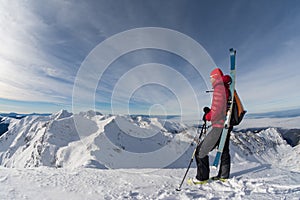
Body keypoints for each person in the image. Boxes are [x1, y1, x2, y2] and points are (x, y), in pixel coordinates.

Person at [193, 68, 232, 184]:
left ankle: (202, 178)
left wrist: (207, 116)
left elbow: (216, 112)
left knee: (200, 151)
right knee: (224, 151)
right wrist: (210, 111)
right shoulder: (225, 88)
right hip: (226, 125)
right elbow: (220, 108)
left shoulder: (219, 89)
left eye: (211, 77)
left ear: (215, 76)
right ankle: (224, 175)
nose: (210, 80)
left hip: (219, 126)